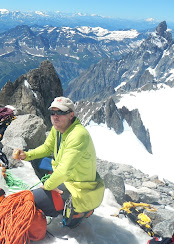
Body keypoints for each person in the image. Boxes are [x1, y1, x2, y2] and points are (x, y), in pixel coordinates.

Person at [13, 96, 105, 228]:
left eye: (61, 112)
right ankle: (57, 199)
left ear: (71, 115)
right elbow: (47, 148)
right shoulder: (58, 129)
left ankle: (77, 212)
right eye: (53, 113)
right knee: (37, 160)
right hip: (66, 178)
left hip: (78, 188)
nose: (55, 117)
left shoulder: (78, 135)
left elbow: (64, 170)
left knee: (30, 200)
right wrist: (26, 155)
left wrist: (48, 185)